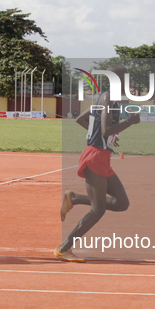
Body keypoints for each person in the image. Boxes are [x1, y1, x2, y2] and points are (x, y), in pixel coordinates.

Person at [55, 64, 140, 262]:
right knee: (98, 210)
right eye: (124, 78)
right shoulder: (109, 98)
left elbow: (81, 119)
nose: (128, 82)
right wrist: (128, 123)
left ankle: (74, 198)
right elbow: (104, 130)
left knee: (122, 203)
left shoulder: (108, 98)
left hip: (102, 157)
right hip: (95, 158)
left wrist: (106, 139)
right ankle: (63, 247)